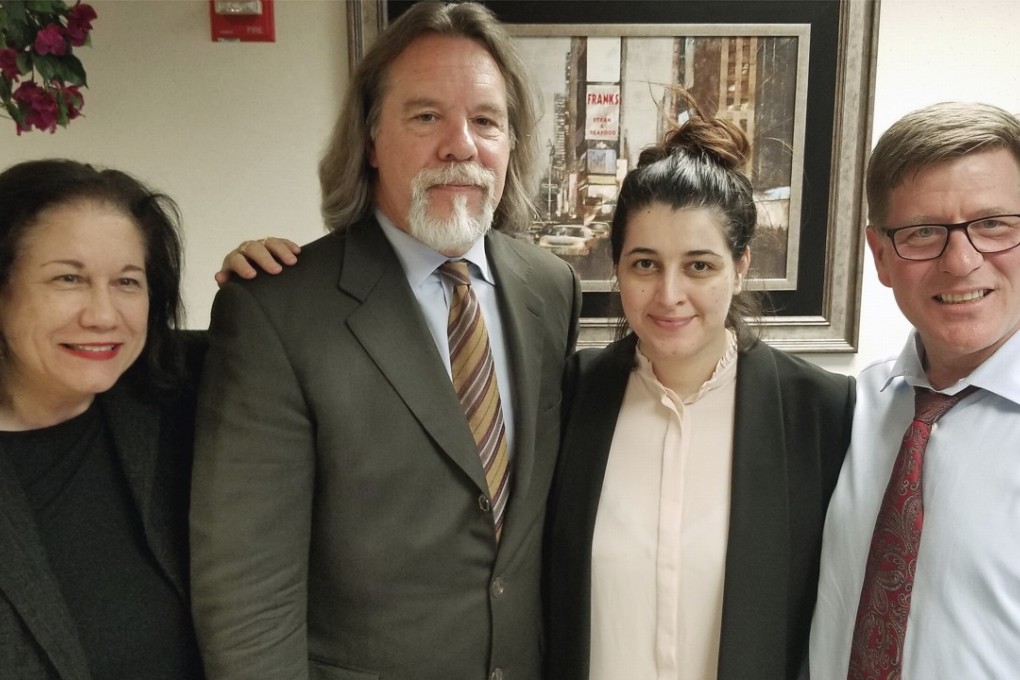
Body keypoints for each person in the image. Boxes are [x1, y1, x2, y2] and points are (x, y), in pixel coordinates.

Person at [188, 2, 581, 679]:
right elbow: (248, 596)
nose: (460, 144)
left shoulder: (551, 288)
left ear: (511, 142)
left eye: (486, 120)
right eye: (426, 116)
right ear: (370, 140)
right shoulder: (276, 311)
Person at [543, 95, 856, 680]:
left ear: (740, 265)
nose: (668, 295)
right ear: (617, 268)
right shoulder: (570, 396)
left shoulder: (822, 413)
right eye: (644, 264)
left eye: (699, 265)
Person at [810, 102, 1020, 678]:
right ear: (880, 255)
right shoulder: (853, 409)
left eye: (994, 224)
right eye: (924, 232)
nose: (961, 261)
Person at [0, 159, 206, 678]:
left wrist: (268, 276)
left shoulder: (182, 397)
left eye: (127, 282)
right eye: (68, 278)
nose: (103, 314)